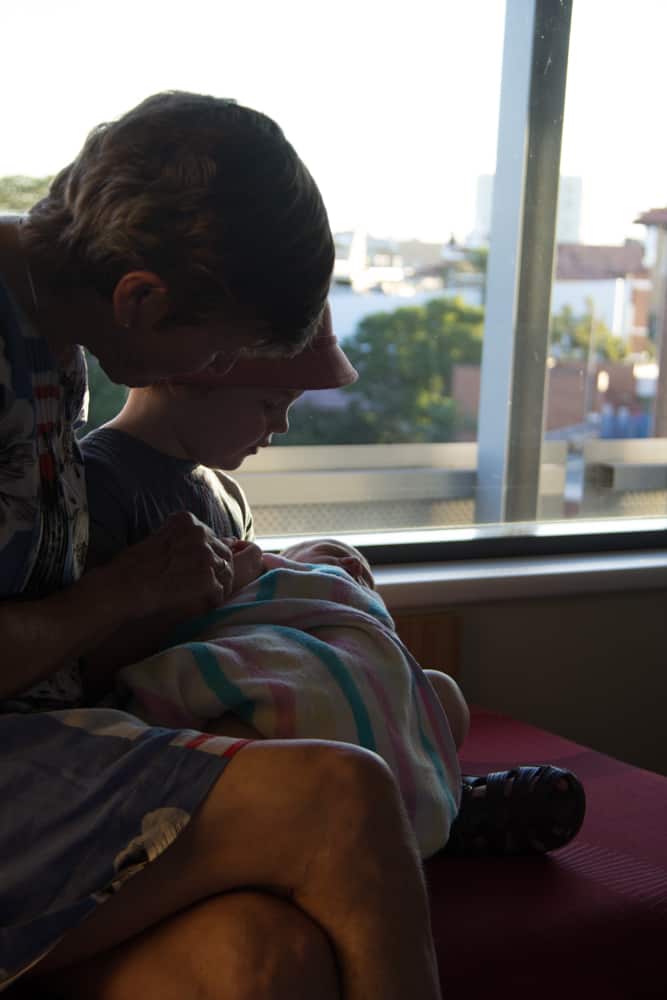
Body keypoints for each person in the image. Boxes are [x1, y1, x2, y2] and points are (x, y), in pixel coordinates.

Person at [0, 92, 444, 1000]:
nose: (210, 374)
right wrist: (122, 596)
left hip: (46, 742)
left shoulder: (52, 331)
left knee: (260, 959)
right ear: (140, 297)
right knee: (340, 796)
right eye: (218, 353)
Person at [82, 316, 586, 862]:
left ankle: (412, 810)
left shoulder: (225, 494)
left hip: (255, 693)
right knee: (256, 746)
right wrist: (213, 593)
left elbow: (254, 622)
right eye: (270, 403)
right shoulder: (100, 482)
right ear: (189, 373)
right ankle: (430, 815)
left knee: (437, 697)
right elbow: (88, 663)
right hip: (175, 721)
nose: (281, 426)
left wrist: (313, 575)